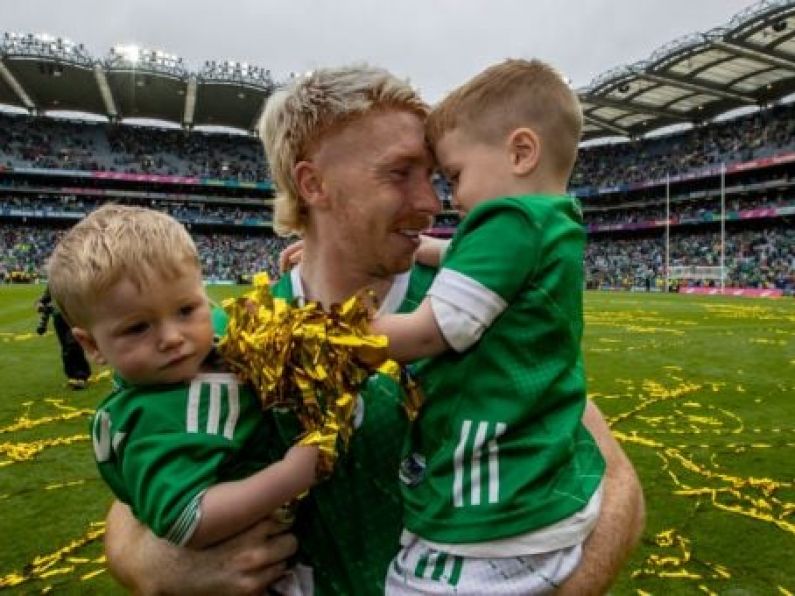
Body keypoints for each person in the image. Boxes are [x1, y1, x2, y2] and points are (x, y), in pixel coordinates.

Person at [104, 65, 645, 595]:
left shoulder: (480, 295)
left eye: (435, 177)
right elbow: (138, 498)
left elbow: (616, 482)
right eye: (399, 173)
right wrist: (156, 564)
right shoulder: (233, 333)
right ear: (313, 184)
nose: (433, 203)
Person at [368, 59, 603, 593]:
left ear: (521, 152)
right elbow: (478, 262)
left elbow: (430, 333)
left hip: (495, 518)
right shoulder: (553, 221)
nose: (452, 198)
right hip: (551, 494)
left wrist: (344, 331)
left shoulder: (507, 221)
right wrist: (429, 249)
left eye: (454, 176)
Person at [47, 205, 318, 554]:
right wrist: (292, 475)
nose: (172, 337)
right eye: (137, 327)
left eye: (186, 310)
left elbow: (254, 321)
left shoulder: (209, 331)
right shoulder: (147, 422)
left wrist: (297, 279)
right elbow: (186, 519)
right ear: (91, 345)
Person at [36, 285, 91, 389]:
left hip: (73, 316)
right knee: (66, 348)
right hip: (58, 317)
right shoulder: (53, 282)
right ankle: (72, 376)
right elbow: (44, 298)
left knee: (73, 344)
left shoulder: (74, 279)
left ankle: (81, 376)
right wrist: (40, 304)